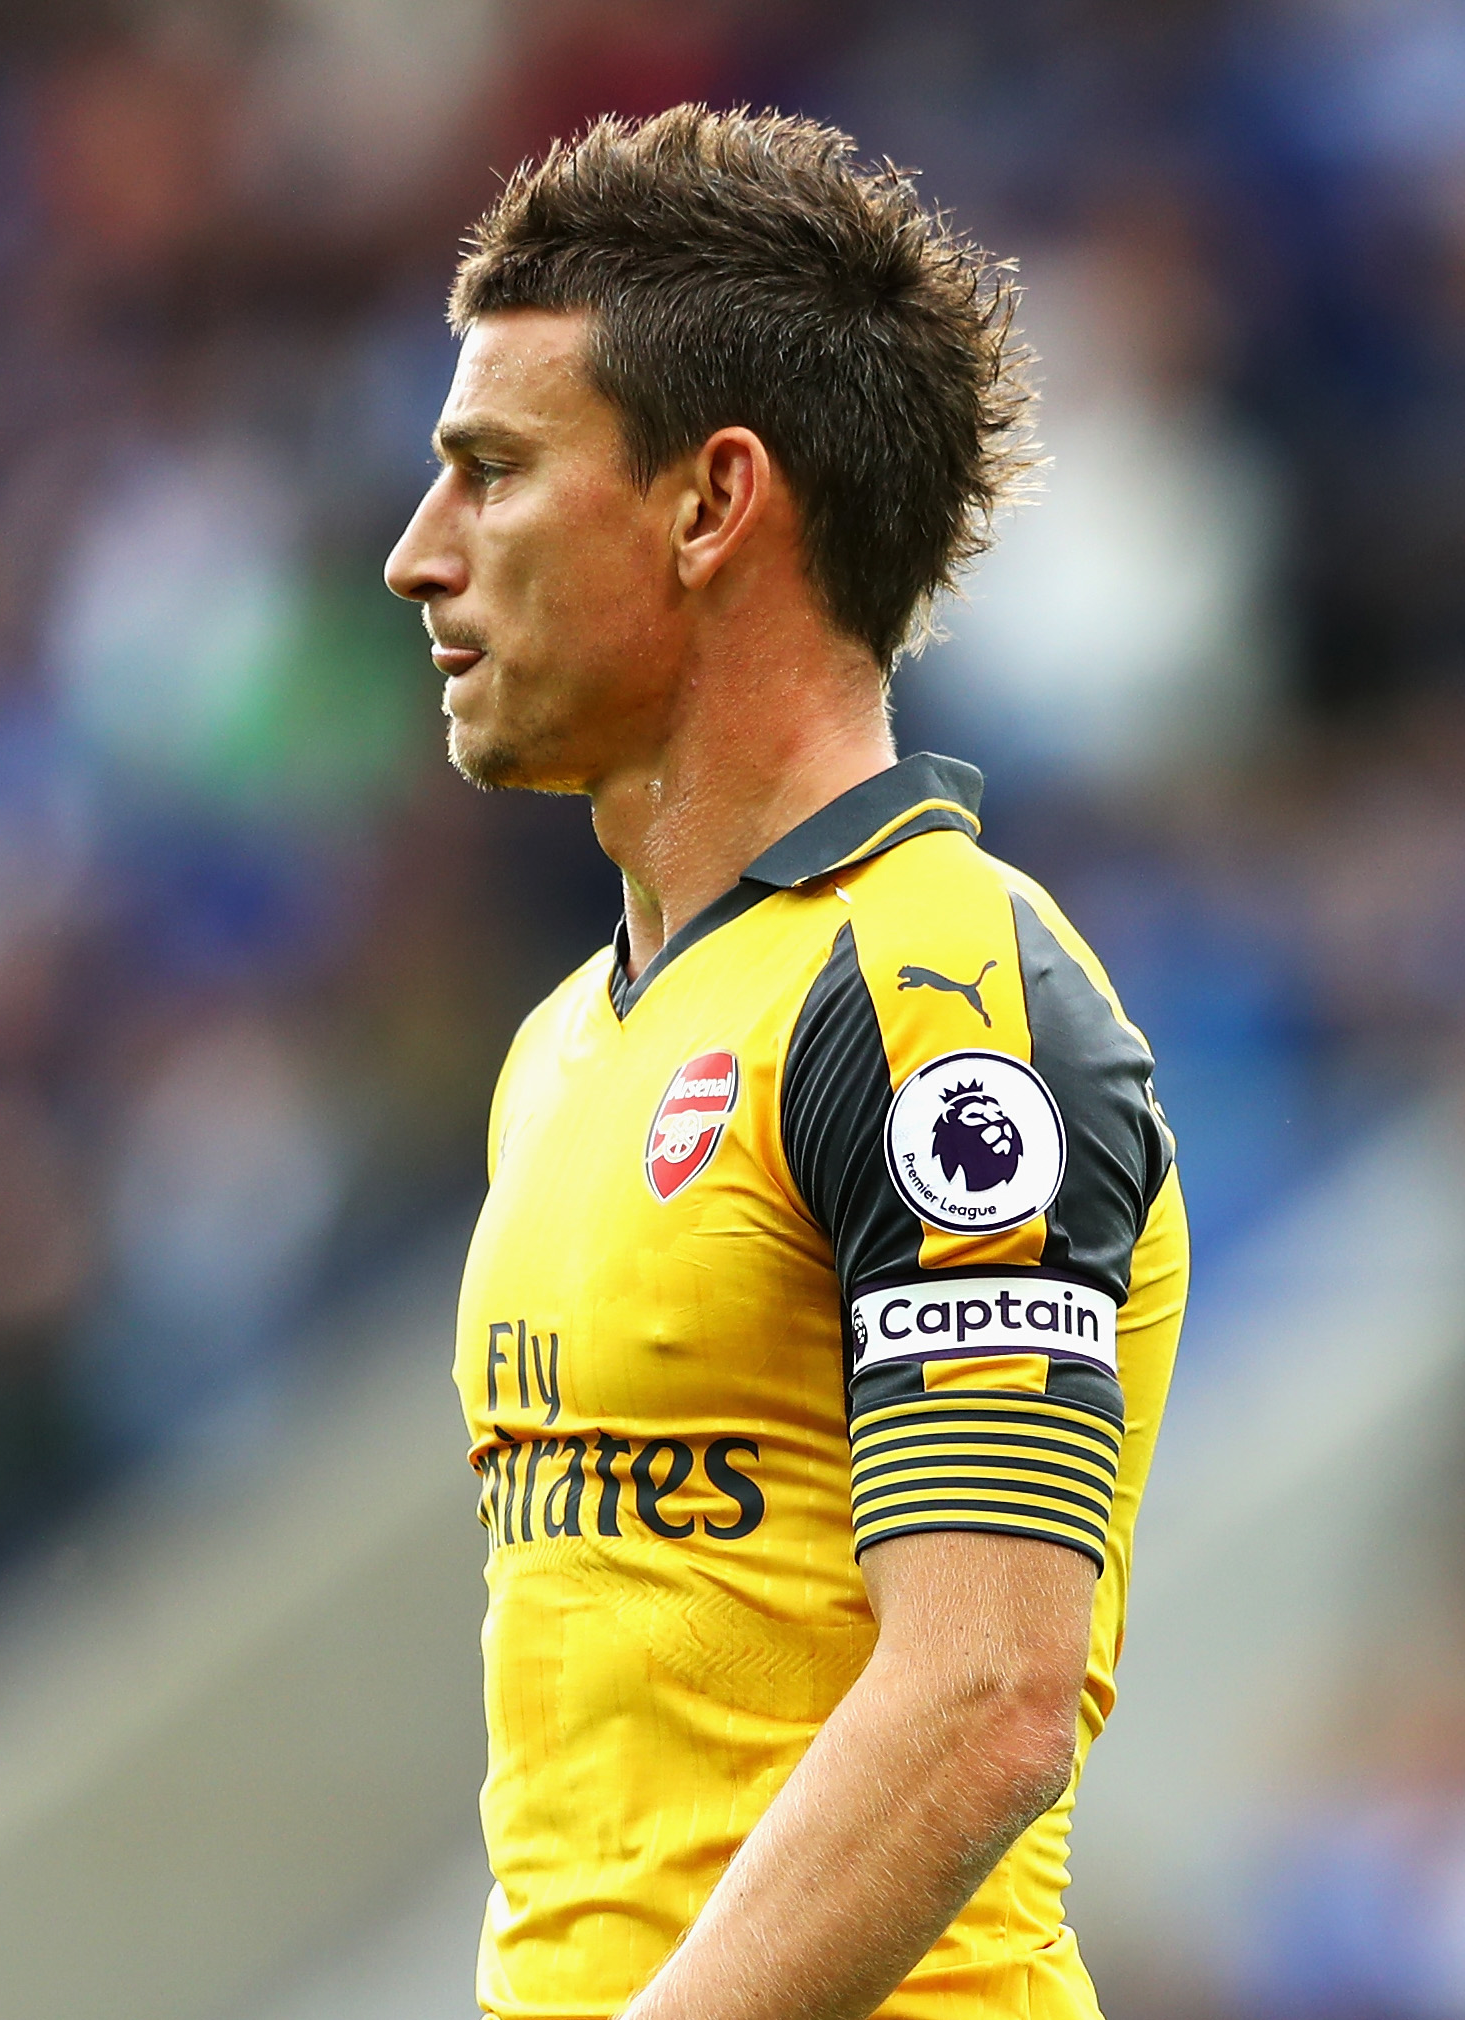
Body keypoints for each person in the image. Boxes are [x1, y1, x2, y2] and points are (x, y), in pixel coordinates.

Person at [383, 106, 1188, 2020]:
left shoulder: (934, 995)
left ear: (707, 502)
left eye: (490, 474)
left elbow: (988, 1694)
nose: (421, 557)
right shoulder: (566, 1050)